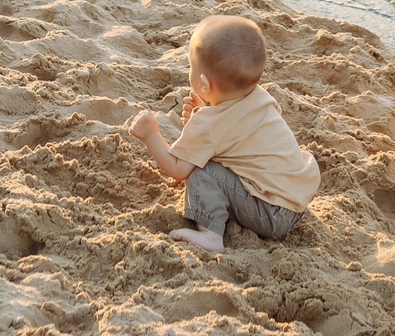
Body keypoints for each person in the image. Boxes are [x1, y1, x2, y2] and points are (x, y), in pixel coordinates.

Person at [128, 15, 319, 253]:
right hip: (295, 204)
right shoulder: (260, 98)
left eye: (191, 66)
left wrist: (150, 135)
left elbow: (177, 170)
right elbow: (232, 137)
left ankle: (210, 236)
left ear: (205, 85)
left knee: (202, 173)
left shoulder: (208, 124)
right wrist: (201, 114)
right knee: (212, 163)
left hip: (270, 216)